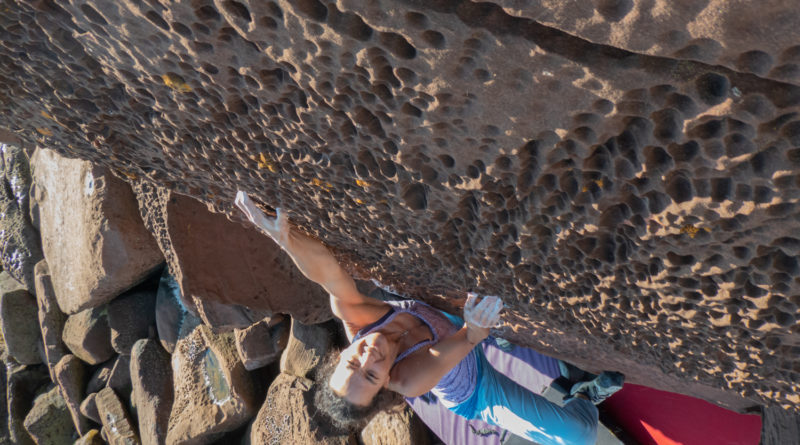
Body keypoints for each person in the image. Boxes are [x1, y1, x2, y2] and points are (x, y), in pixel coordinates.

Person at [235, 191, 623, 445]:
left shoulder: (358, 322)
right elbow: (466, 339)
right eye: (371, 375)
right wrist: (476, 327)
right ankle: (584, 395)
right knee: (577, 435)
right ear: (385, 384)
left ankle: (504, 340)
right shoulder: (409, 378)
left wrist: (283, 236)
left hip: (457, 328)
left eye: (354, 361)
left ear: (342, 354)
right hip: (476, 388)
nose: (369, 357)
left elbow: (329, 275)